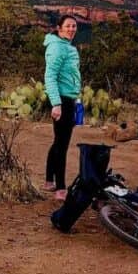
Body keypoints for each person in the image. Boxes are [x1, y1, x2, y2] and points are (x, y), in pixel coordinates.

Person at [44, 15, 82, 200]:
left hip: (69, 99)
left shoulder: (66, 46)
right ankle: (60, 188)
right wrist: (56, 104)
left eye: (74, 26)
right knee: (62, 144)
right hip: (63, 101)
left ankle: (49, 181)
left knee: (58, 141)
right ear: (59, 28)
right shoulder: (58, 48)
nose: (72, 29)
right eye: (68, 26)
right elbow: (50, 76)